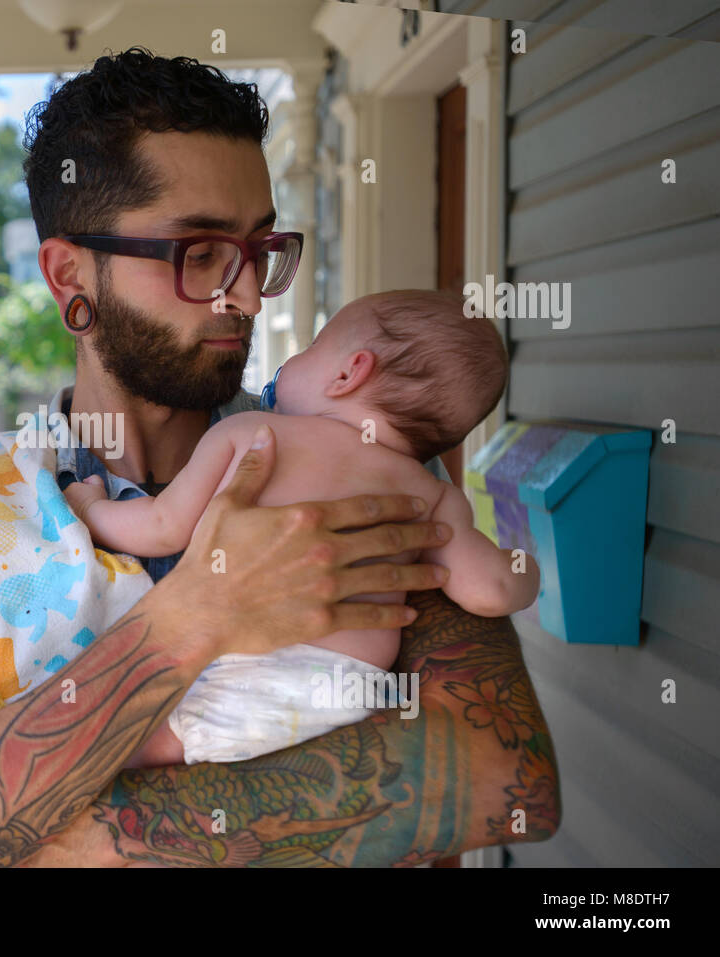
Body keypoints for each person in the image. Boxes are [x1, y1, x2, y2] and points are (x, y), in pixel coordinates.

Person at [0, 48, 561, 867]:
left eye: (258, 248)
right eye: (197, 252)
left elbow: (504, 779)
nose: (241, 293)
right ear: (67, 274)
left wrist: (42, 825)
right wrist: (196, 615)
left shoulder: (363, 458)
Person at [62, 289, 540, 767]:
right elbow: (492, 591)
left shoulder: (250, 433)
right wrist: (527, 568)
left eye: (312, 346)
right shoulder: (432, 495)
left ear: (349, 373)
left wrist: (89, 509)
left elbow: (161, 526)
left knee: (121, 751)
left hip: (238, 659)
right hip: (347, 689)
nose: (295, 358)